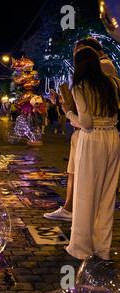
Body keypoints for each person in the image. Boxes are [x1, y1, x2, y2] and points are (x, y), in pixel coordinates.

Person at [45, 37, 119, 222]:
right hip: (97, 132)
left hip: (92, 132)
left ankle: (80, 215)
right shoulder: (100, 78)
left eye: (77, 55)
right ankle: (71, 208)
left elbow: (91, 115)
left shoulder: (103, 70)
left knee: (86, 176)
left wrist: (69, 111)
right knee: (74, 171)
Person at [62, 47, 120, 260]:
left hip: (92, 138)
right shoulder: (112, 82)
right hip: (113, 137)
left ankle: (81, 247)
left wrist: (68, 112)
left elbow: (85, 122)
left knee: (85, 193)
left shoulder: (80, 86)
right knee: (107, 194)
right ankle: (102, 248)